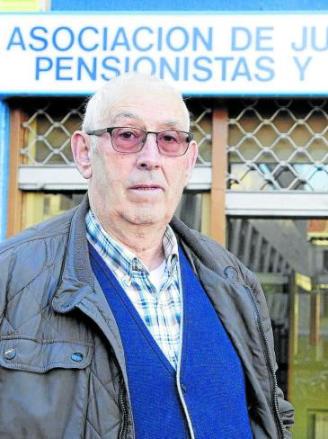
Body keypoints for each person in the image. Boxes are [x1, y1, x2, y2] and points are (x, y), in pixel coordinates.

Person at [0, 73, 294, 439]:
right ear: (84, 153)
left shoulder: (234, 283)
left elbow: (271, 413)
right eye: (127, 135)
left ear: (187, 162)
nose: (150, 158)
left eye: (169, 139)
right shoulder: (9, 279)